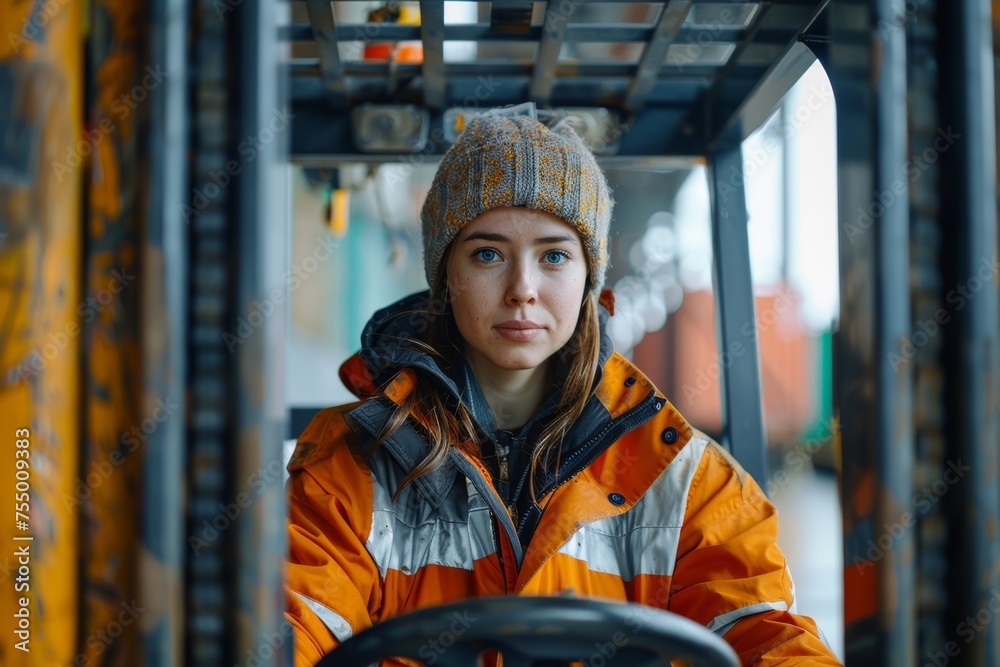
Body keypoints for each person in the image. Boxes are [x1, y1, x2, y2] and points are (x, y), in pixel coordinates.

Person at [284, 111, 842, 666]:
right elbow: (289, 626)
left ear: (587, 280)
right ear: (445, 276)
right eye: (487, 254)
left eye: (554, 255)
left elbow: (767, 636)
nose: (522, 289)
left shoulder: (689, 481)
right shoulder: (348, 467)